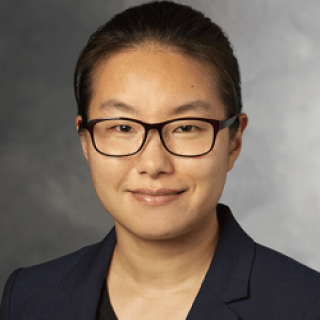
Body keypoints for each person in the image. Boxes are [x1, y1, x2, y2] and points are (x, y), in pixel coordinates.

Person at [1, 1, 320, 319]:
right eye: (122, 127)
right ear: (85, 140)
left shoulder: (305, 305)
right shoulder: (28, 296)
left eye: (186, 127)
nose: (153, 165)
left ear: (234, 141)